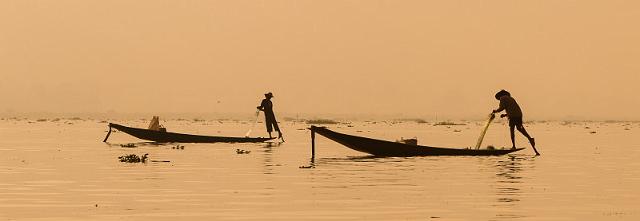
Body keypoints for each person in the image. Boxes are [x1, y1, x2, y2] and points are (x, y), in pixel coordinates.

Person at [492, 90, 540, 155]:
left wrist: (495, 111)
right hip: (518, 115)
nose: (498, 100)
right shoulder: (510, 98)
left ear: (499, 96)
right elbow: (512, 109)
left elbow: (501, 108)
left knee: (512, 130)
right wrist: (505, 115)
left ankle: (514, 146)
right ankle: (530, 139)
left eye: (497, 99)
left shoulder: (502, 98)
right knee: (520, 129)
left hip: (513, 116)